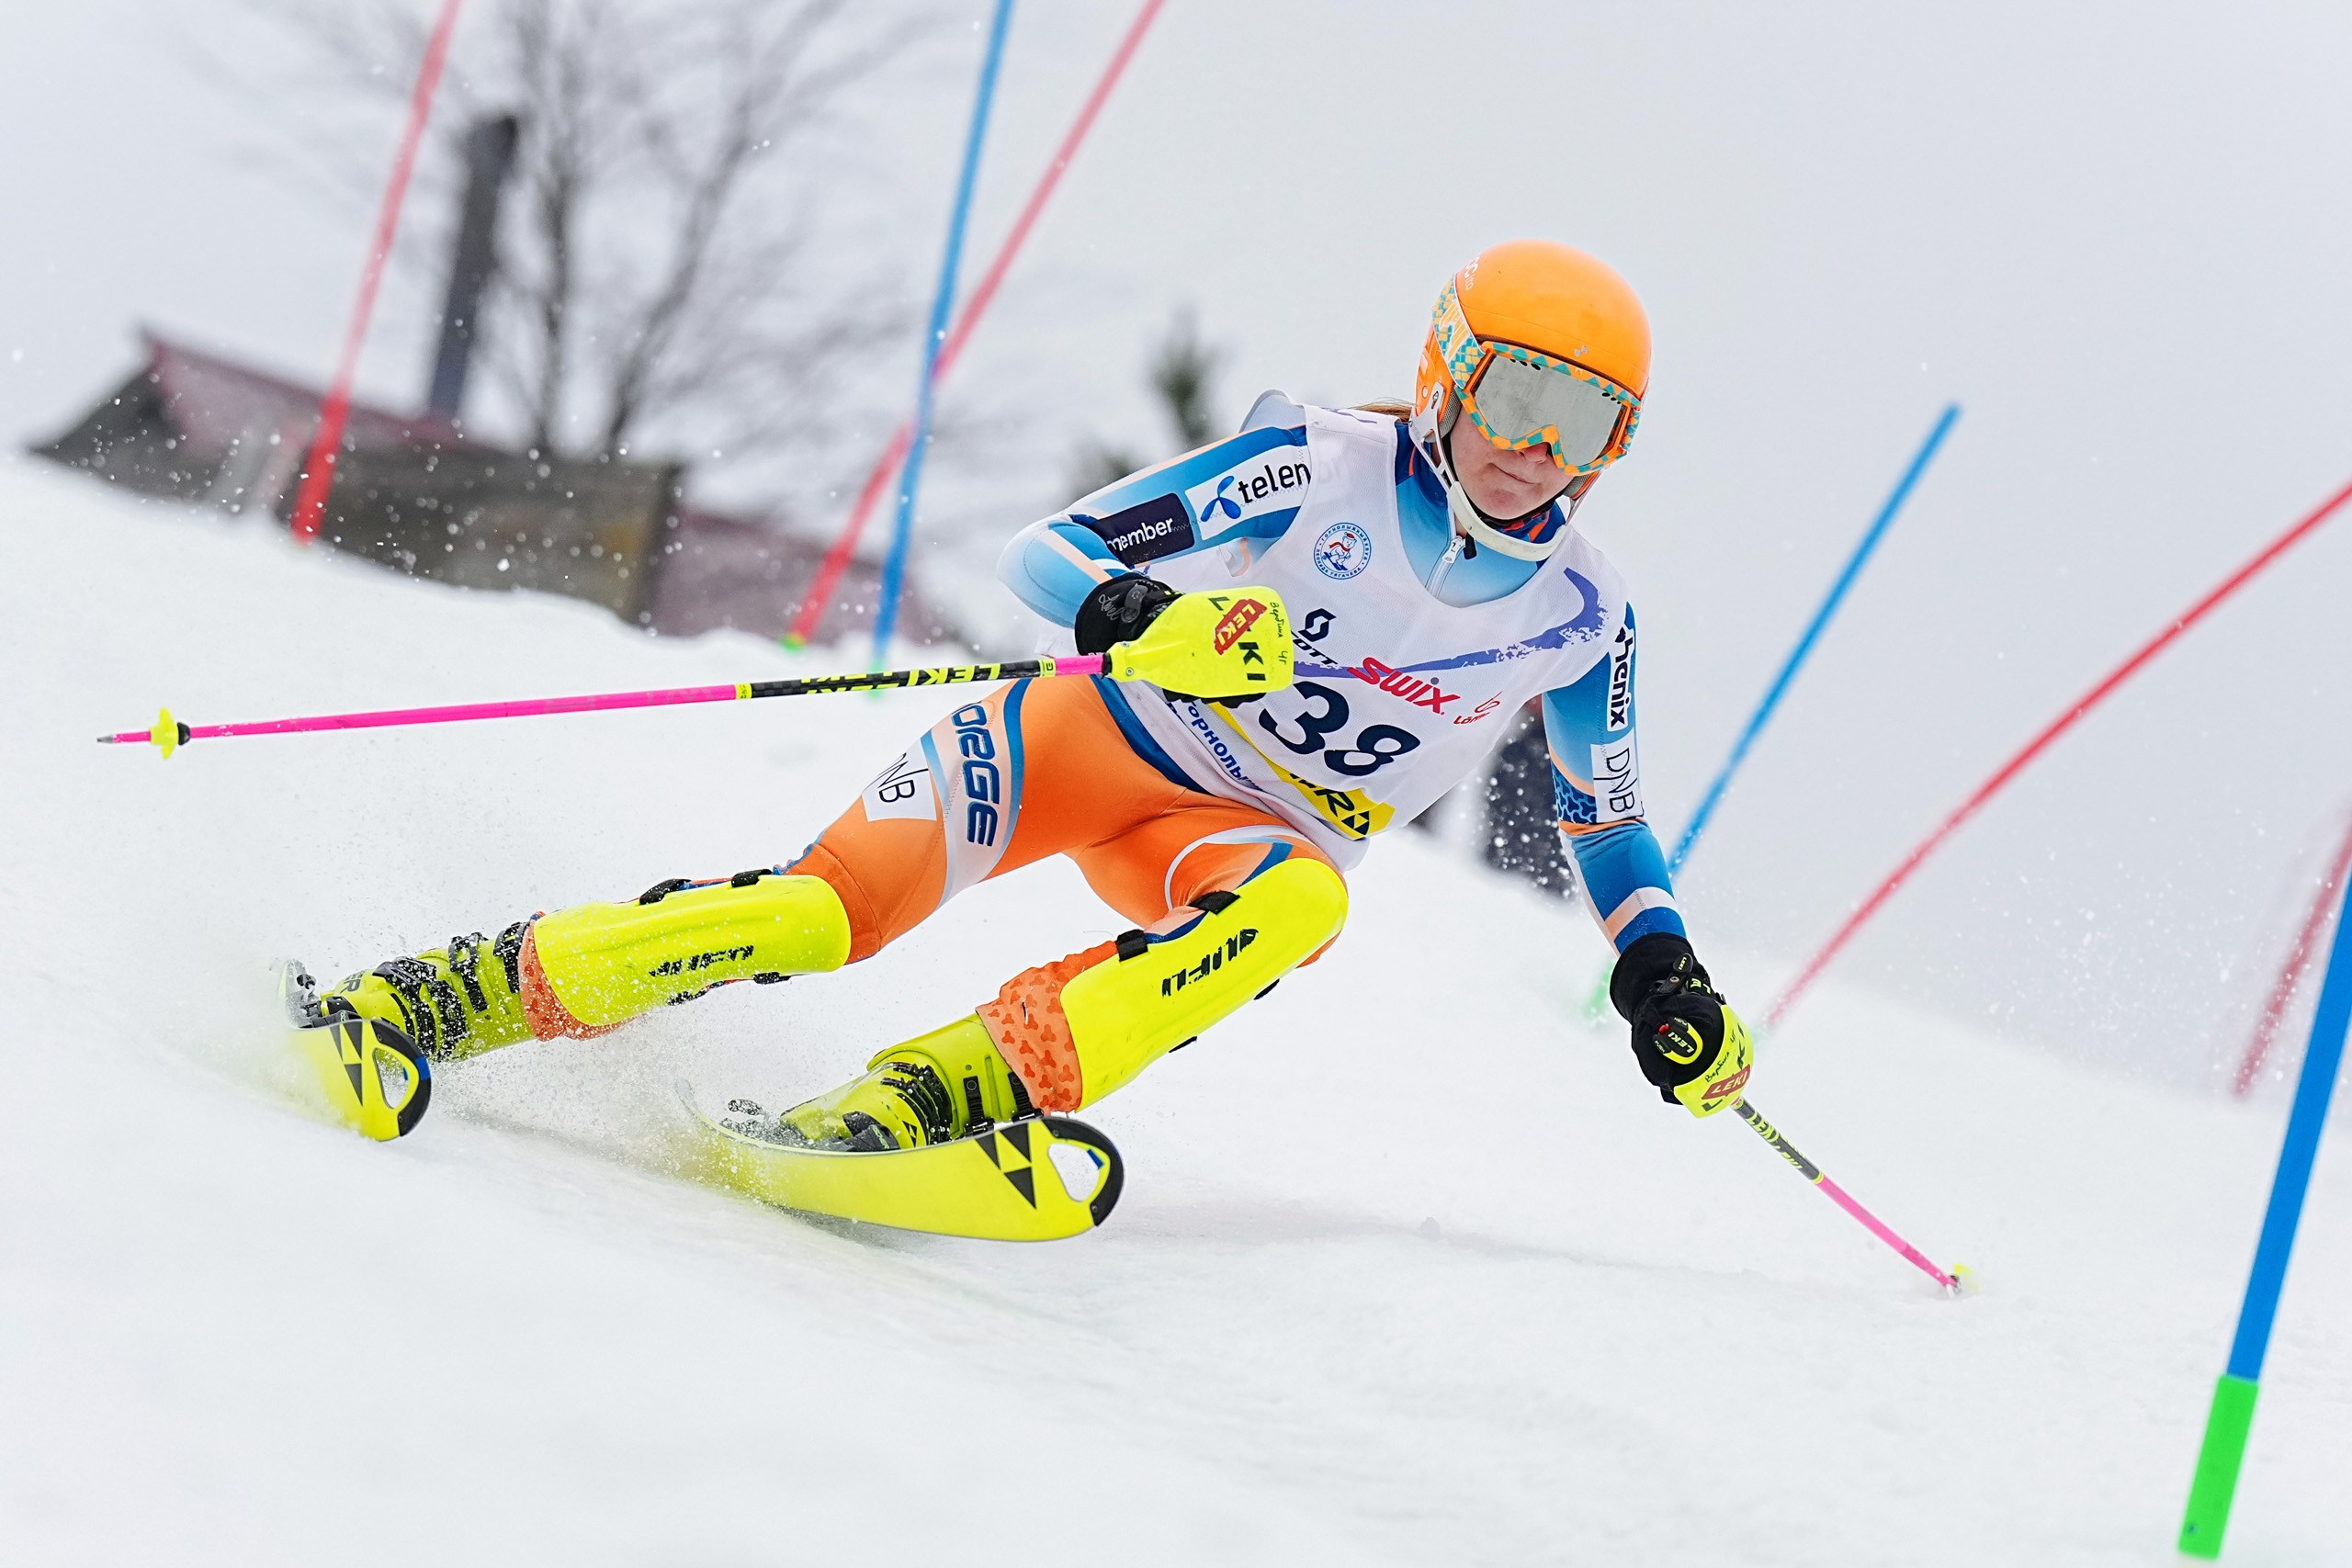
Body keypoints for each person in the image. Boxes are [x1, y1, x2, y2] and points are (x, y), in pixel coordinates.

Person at [300, 239, 1754, 1149]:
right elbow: (1047, 555)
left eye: (1581, 421)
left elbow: (1607, 826)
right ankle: (453, 994)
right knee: (819, 919)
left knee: (1306, 903)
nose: (1532, 447)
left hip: (1230, 836)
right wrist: (1145, 619)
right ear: (1446, 366)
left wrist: (1663, 974)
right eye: (1512, 394)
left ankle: (946, 1097)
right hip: (1080, 740)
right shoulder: (1320, 463)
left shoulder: (1585, 617)